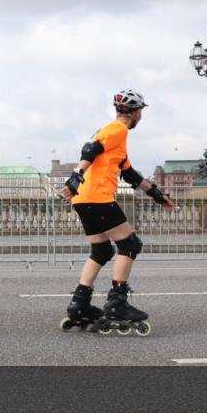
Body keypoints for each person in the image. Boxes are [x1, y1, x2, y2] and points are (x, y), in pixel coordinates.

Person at [57, 88, 175, 335]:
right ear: (135, 112)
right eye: (141, 111)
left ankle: (79, 304)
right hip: (98, 198)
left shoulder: (117, 142)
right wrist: (77, 174)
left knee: (101, 250)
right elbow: (91, 148)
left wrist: (156, 194)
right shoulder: (117, 129)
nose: (141, 116)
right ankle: (117, 303)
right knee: (130, 245)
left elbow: (129, 174)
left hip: (82, 199)